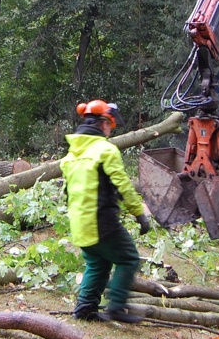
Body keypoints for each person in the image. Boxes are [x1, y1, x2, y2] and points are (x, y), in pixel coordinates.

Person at [60, 99, 152, 323]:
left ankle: (85, 308)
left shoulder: (72, 155)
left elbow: (68, 190)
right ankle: (117, 307)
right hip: (101, 220)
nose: (111, 130)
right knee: (128, 258)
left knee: (98, 262)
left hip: (79, 221)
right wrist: (139, 212)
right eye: (110, 124)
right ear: (103, 123)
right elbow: (122, 184)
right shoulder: (105, 150)